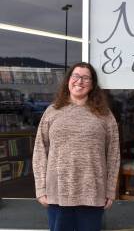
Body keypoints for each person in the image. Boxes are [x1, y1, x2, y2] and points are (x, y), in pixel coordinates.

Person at [32, 62, 120, 231]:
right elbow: (39, 151)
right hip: (58, 192)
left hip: (92, 192)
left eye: (86, 78)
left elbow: (114, 154)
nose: (80, 81)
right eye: (76, 76)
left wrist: (110, 190)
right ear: (68, 81)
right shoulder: (52, 111)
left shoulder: (104, 114)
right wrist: (41, 188)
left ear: (92, 84)